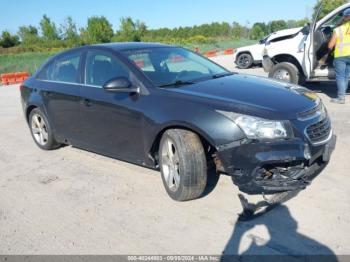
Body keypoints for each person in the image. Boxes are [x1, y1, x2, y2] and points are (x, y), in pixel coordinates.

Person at [328, 8, 350, 104]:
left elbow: (330, 46)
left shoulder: (338, 29)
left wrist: (330, 51)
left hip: (341, 56)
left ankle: (341, 98)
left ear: (345, 18)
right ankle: (342, 94)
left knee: (340, 76)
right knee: (345, 76)